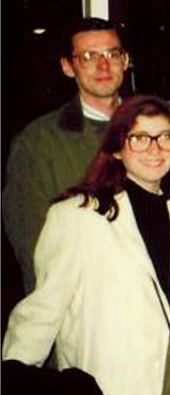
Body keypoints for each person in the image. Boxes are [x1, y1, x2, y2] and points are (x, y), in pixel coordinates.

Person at [2, 95, 170, 395]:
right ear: (118, 148)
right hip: (113, 391)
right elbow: (42, 309)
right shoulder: (76, 216)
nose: (155, 149)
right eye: (140, 138)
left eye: (165, 137)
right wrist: (14, 382)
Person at [3, 17, 130, 294]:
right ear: (67, 67)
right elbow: (33, 244)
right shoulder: (38, 142)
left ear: (126, 60)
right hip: (86, 305)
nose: (103, 65)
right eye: (88, 57)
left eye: (112, 54)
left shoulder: (156, 126)